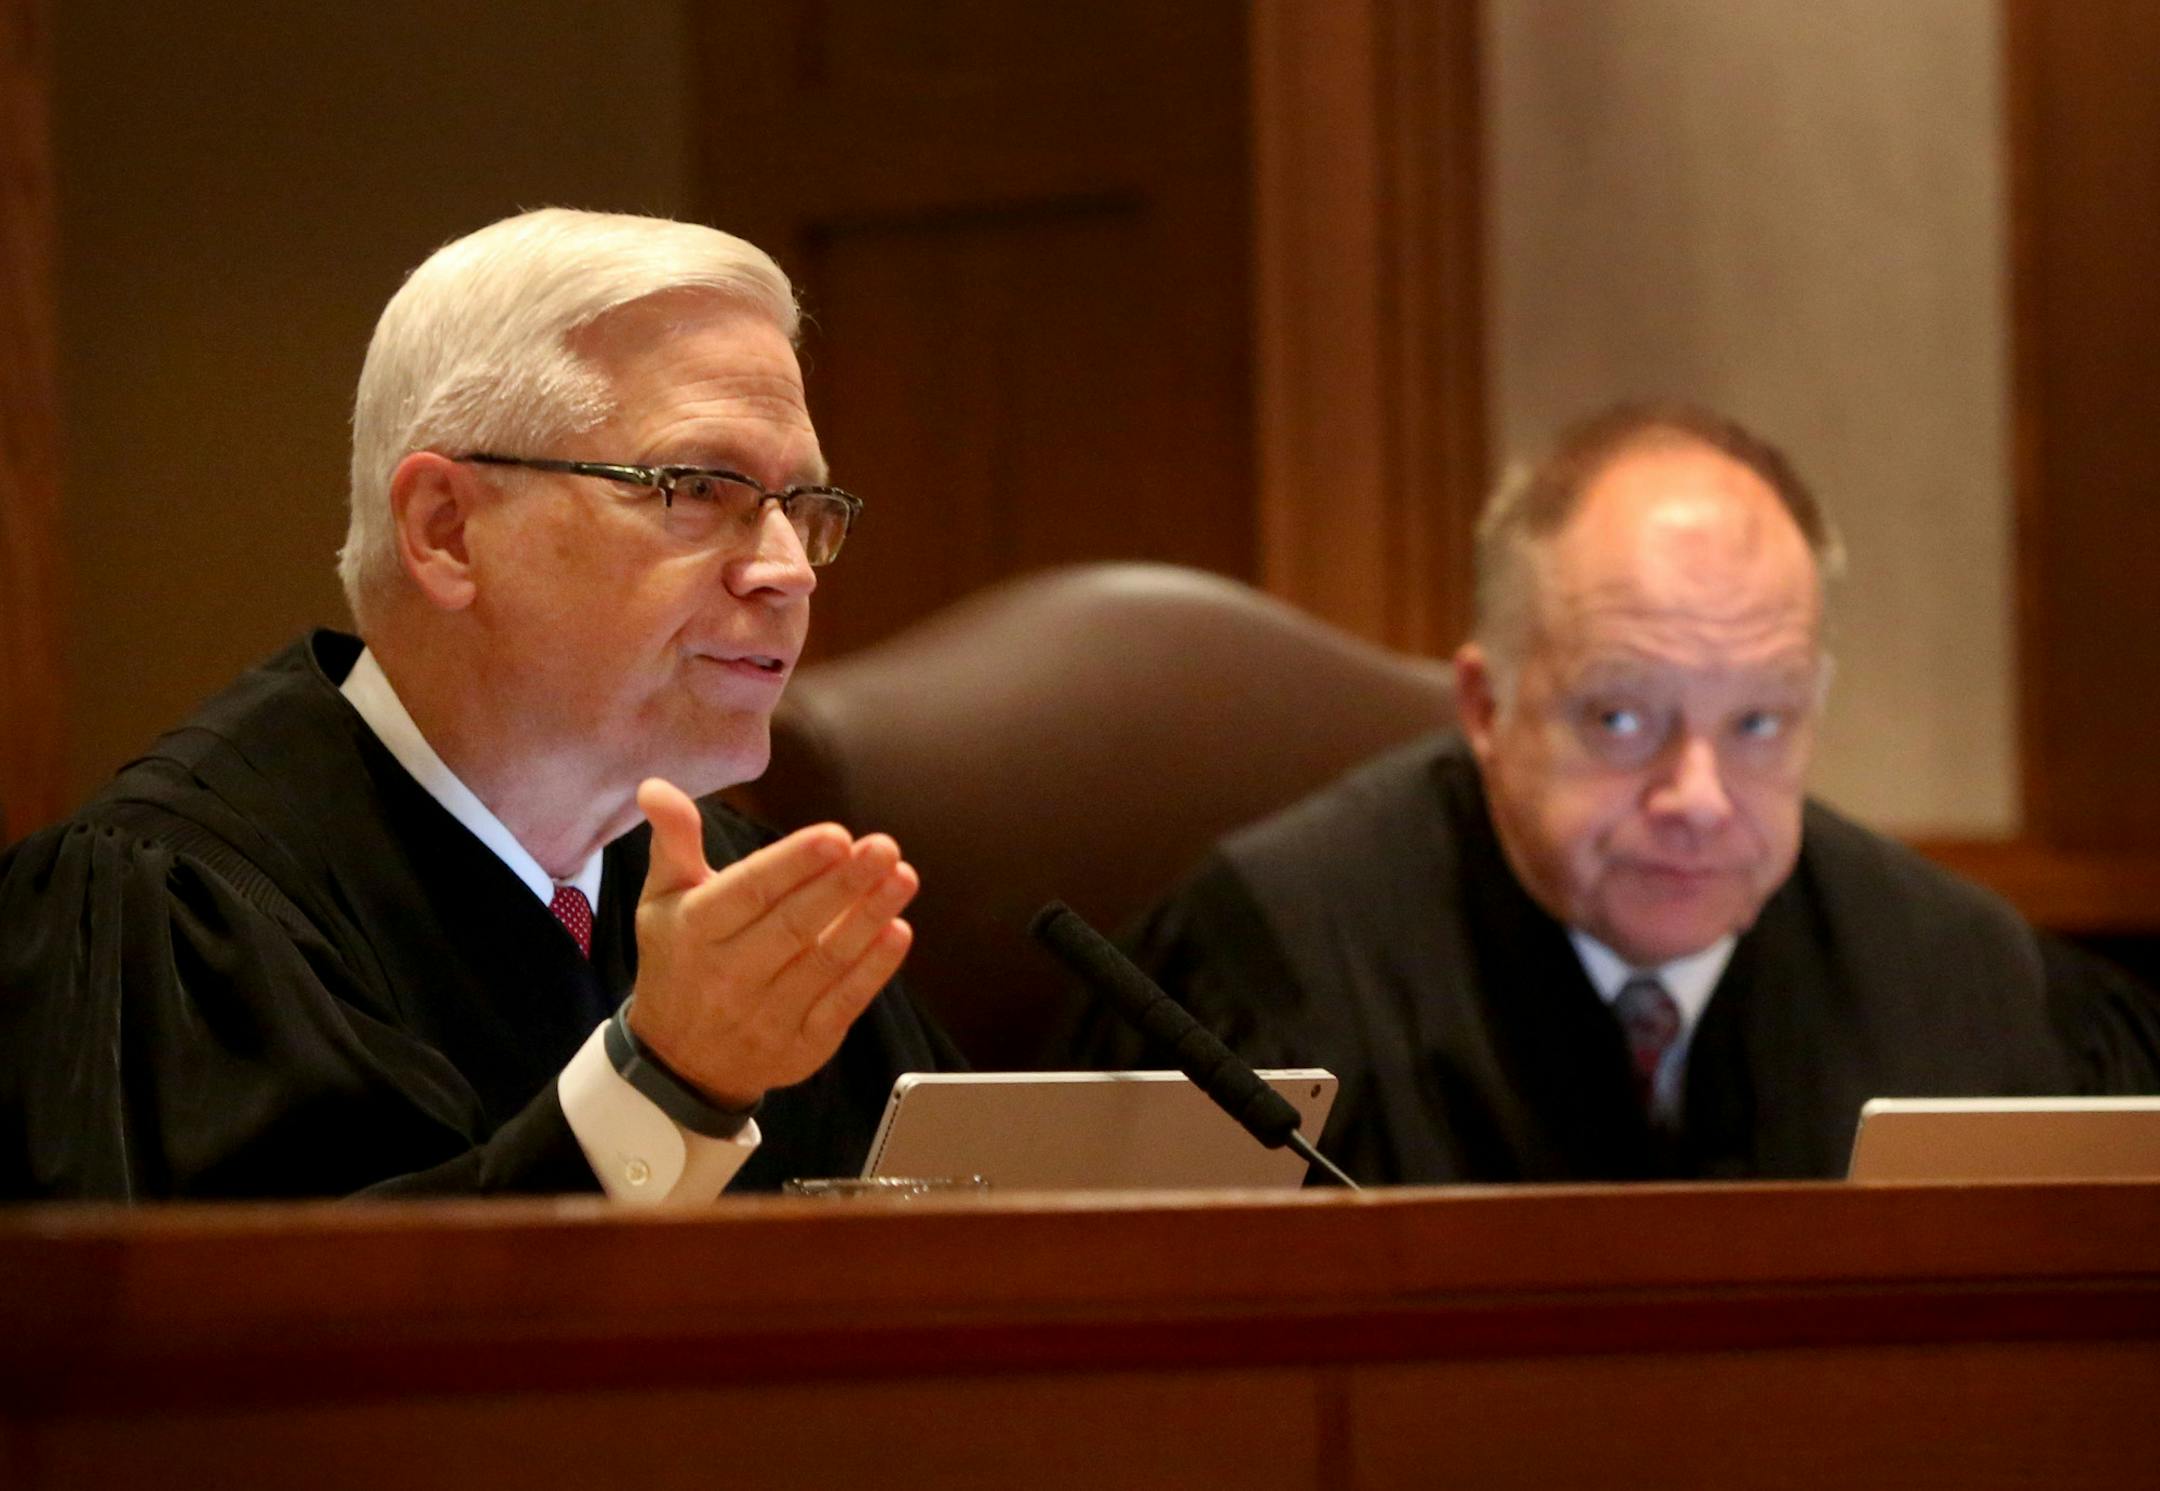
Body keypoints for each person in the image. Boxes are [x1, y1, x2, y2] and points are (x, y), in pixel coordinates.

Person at [0, 208, 956, 1203]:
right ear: (447, 530)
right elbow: (306, 1302)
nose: (788, 569)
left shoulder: (756, 906)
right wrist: (665, 1089)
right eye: (699, 487)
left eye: (803, 505)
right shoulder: (177, 909)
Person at [1089, 403, 2160, 1183]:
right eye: (1621, 718)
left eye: (1759, 722)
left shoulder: (1978, 992)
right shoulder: (1261, 969)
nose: (1698, 796)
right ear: (1486, 706)